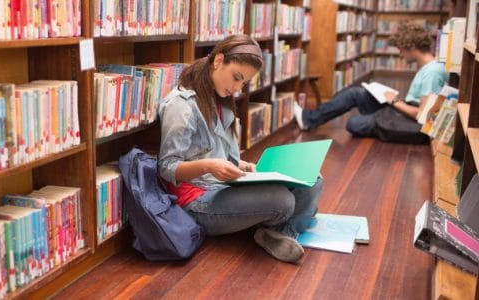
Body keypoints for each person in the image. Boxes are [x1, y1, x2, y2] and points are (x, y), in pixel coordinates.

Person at [157, 34, 324, 263]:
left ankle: (277, 233)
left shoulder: (219, 97)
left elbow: (219, 152)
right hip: (197, 200)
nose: (237, 88)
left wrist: (241, 165)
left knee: (313, 178)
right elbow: (166, 167)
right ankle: (278, 228)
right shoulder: (181, 106)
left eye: (243, 83)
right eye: (236, 78)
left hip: (224, 186)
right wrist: (209, 166)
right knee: (283, 201)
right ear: (218, 61)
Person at [293, 21, 449, 137]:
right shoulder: (429, 67)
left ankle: (311, 120)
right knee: (355, 93)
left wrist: (394, 101)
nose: (400, 54)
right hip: (402, 111)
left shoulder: (432, 73)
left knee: (353, 124)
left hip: (409, 122)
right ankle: (309, 119)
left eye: (401, 49)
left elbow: (423, 115)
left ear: (412, 47)